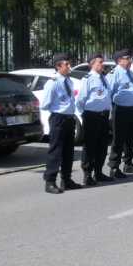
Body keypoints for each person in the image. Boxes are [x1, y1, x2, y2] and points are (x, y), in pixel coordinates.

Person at [41, 53, 80, 193]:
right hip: (58, 118)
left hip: (69, 118)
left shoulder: (68, 81)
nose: (69, 66)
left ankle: (66, 179)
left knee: (68, 150)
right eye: (66, 64)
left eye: (69, 64)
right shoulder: (53, 83)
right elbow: (44, 104)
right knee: (56, 150)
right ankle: (50, 181)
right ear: (58, 66)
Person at [75, 51, 113, 185]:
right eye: (100, 62)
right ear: (92, 64)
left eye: (102, 62)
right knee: (90, 145)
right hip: (92, 116)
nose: (103, 64)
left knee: (102, 145)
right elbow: (80, 100)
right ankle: (87, 174)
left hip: (103, 116)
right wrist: (85, 114)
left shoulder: (104, 78)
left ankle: (98, 172)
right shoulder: (87, 79)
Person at [107, 48, 133, 178]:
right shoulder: (115, 73)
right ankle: (114, 166)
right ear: (119, 61)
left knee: (130, 139)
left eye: (130, 57)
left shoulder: (130, 73)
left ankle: (128, 163)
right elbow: (108, 92)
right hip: (121, 110)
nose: (130, 60)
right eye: (127, 58)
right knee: (119, 139)